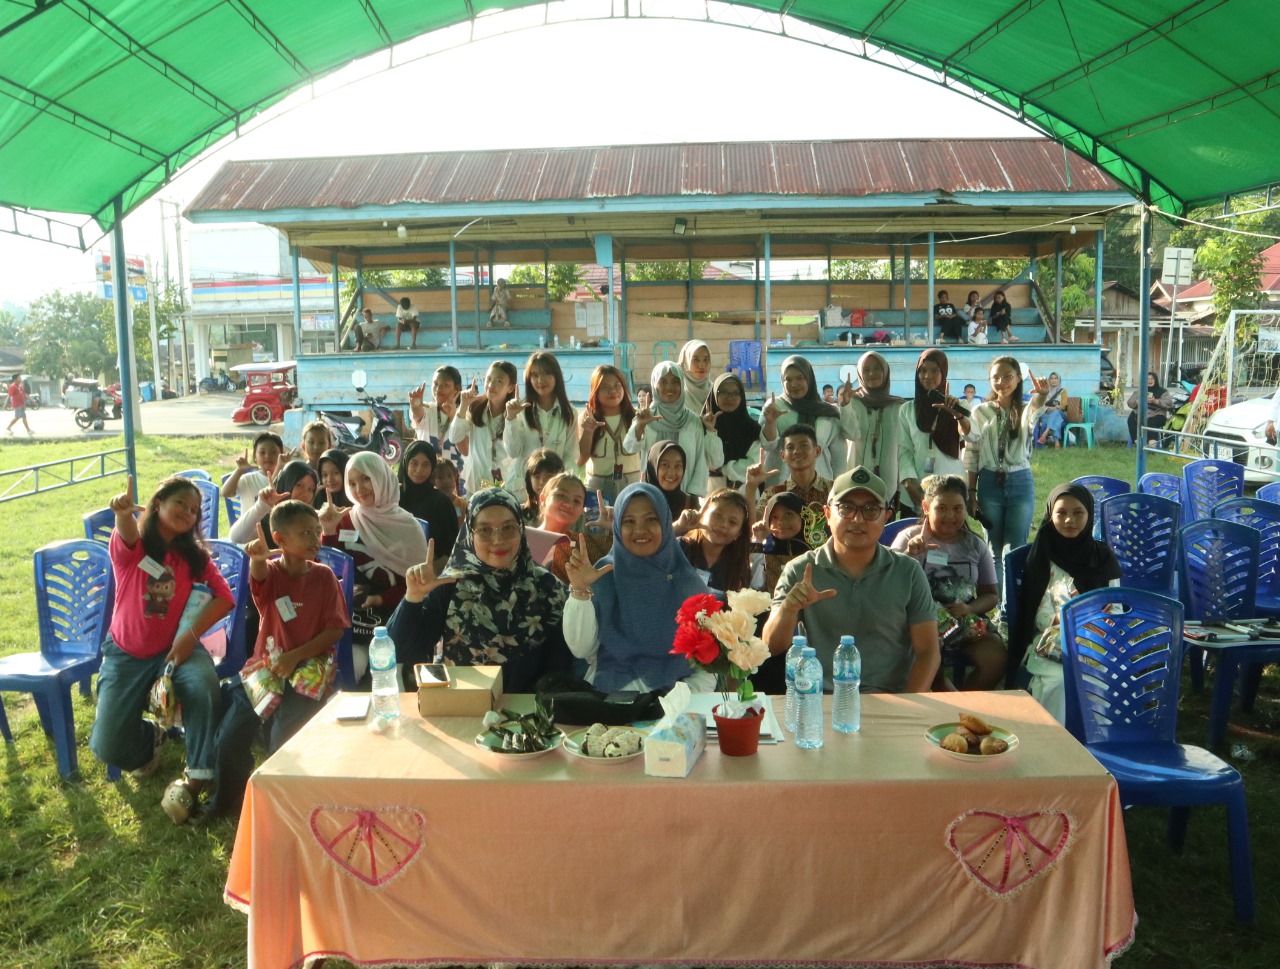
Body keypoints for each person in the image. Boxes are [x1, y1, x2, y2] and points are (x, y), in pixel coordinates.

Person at [89, 475, 234, 824]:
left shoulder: (194, 557)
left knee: (203, 684)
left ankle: (199, 774)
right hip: (126, 653)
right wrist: (122, 513)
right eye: (180, 503)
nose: (188, 512)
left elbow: (224, 597)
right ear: (158, 504)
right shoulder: (135, 547)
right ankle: (151, 739)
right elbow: (126, 532)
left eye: (194, 510)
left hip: (176, 650)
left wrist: (190, 637)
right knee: (106, 746)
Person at [208, 500, 349, 818]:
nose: (315, 538)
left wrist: (294, 657)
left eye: (316, 531)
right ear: (280, 539)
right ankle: (226, 801)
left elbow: (335, 631)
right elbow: (259, 576)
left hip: (308, 667)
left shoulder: (325, 577)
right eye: (305, 532)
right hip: (265, 666)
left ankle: (282, 806)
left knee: (284, 742)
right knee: (230, 737)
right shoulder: (270, 573)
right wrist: (257, 559)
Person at [763, 466, 939, 692]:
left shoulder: (908, 572)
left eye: (870, 509)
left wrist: (908, 705)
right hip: (823, 699)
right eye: (846, 508)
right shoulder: (800, 570)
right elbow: (771, 646)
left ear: (886, 517)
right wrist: (789, 609)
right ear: (827, 514)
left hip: (892, 698)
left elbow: (928, 651)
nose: (857, 519)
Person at [388, 488, 573, 693]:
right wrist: (413, 598)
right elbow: (397, 651)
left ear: (521, 529)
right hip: (459, 704)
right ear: (470, 533)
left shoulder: (548, 589)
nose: (498, 540)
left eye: (508, 528)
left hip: (527, 708)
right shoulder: (451, 584)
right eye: (485, 530)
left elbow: (559, 670)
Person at [562, 482, 716, 692]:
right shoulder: (603, 575)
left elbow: (708, 665)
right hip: (611, 695)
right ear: (617, 527)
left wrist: (678, 701)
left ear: (665, 523)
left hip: (677, 699)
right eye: (628, 521)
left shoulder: (687, 584)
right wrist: (580, 590)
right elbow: (581, 650)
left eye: (651, 519)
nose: (640, 530)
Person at [1011, 483, 1123, 716]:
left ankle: (1094, 738)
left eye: (1078, 513)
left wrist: (1095, 626)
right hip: (1053, 643)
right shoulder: (1042, 556)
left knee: (1101, 680)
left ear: (1089, 514)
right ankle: (1054, 737)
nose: (1069, 520)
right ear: (1050, 514)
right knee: (1059, 683)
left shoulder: (1103, 558)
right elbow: (1037, 612)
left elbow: (1115, 607)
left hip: (1097, 640)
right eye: (1061, 513)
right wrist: (1068, 624)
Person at [891, 475, 1006, 690]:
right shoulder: (908, 538)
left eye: (957, 509)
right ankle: (945, 697)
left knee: (996, 657)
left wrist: (969, 608)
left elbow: (991, 595)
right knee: (928, 660)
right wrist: (908, 555)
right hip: (918, 624)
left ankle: (964, 701)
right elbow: (887, 583)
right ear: (926, 507)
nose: (950, 516)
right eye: (942, 508)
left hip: (964, 623)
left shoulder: (975, 546)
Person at [320, 452, 430, 668]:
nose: (359, 489)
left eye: (366, 479)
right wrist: (328, 530)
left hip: (395, 618)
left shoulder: (408, 527)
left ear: (381, 477)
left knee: (387, 666)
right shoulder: (346, 520)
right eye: (352, 483)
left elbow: (418, 587)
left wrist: (380, 599)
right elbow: (329, 574)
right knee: (350, 666)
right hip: (351, 621)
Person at [966, 357, 1048, 589]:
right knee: (993, 549)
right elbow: (972, 452)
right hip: (989, 483)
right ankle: (1000, 603)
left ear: (1018, 378)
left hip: (1020, 482)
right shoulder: (980, 412)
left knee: (1015, 549)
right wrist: (971, 493)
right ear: (989, 380)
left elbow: (1035, 412)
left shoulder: (1024, 409)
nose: (1001, 382)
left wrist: (1042, 395)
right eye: (996, 377)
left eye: (1008, 376)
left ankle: (1011, 605)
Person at [624, 361, 724, 499]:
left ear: (682, 385)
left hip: (685, 498)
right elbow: (629, 448)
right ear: (654, 385)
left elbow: (708, 462)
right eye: (663, 381)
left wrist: (691, 497)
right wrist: (640, 426)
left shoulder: (692, 421)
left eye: (675, 382)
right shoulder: (645, 417)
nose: (669, 387)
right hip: (651, 496)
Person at [899, 349, 970, 513]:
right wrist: (909, 483)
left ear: (944, 372)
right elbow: (904, 449)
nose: (927, 376)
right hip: (916, 486)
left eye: (935, 370)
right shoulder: (907, 410)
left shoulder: (959, 407)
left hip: (951, 488)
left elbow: (972, 436)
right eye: (922, 370)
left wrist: (957, 415)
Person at [760, 355, 846, 480]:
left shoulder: (827, 412)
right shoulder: (774, 406)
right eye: (788, 379)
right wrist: (770, 422)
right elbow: (767, 446)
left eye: (800, 378)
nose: (794, 384)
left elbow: (839, 456)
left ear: (809, 378)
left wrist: (838, 486)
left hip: (821, 484)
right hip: (782, 485)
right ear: (782, 381)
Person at [504, 351, 577, 500]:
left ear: (557, 376)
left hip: (554, 490)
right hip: (521, 490)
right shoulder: (520, 409)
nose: (540, 380)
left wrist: (566, 484)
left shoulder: (569, 413)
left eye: (546, 374)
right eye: (535, 375)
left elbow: (570, 455)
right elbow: (513, 452)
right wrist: (511, 418)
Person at [839, 351, 905, 509]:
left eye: (876, 368)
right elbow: (851, 434)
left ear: (885, 372)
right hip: (856, 480)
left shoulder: (898, 407)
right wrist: (845, 405)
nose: (871, 373)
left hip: (889, 482)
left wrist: (901, 486)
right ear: (860, 374)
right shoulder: (853, 402)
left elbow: (902, 449)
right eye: (866, 370)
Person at [447, 361, 518, 495]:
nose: (491, 385)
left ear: (510, 388)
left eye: (499, 381)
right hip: (476, 484)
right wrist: (463, 406)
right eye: (488, 379)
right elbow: (454, 437)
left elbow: (515, 450)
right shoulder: (475, 407)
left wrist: (511, 419)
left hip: (507, 485)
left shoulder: (516, 413)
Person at [759, 423, 832, 550]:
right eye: (790, 447)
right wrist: (751, 487)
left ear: (817, 451)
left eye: (804, 446)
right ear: (783, 455)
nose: (797, 451)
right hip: (784, 558)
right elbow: (754, 525)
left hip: (826, 558)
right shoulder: (774, 494)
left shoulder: (834, 490)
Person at [578, 364, 641, 502]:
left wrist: (642, 424)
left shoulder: (637, 417)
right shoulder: (587, 419)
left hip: (631, 482)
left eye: (617, 385)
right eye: (605, 387)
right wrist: (588, 431)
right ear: (595, 391)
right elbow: (581, 460)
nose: (612, 391)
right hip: (598, 485)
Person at [539, 472, 613, 585]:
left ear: (582, 511)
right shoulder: (521, 537)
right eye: (561, 495)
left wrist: (614, 528)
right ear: (543, 498)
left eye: (577, 501)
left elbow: (624, 557)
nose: (569, 504)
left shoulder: (584, 546)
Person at [228, 459, 318, 546]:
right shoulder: (269, 519)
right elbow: (236, 537)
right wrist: (261, 506)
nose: (305, 493)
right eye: (299, 485)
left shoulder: (314, 521)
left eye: (311, 489)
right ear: (286, 483)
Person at [678, 488, 751, 592]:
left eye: (732, 522)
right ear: (703, 515)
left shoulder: (738, 567)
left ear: (739, 533)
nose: (723, 525)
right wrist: (678, 528)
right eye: (717, 515)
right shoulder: (681, 548)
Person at [398, 440, 460, 562]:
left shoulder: (442, 502)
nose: (419, 470)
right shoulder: (394, 498)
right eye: (414, 463)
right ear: (406, 463)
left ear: (433, 467)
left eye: (426, 464)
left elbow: (452, 548)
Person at [703, 372, 763, 490]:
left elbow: (754, 464)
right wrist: (710, 430)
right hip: (711, 493)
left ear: (742, 396)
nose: (730, 398)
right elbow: (712, 463)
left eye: (735, 393)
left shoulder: (752, 429)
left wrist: (724, 469)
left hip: (744, 492)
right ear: (714, 394)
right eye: (723, 392)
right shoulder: (702, 426)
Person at [409, 365, 466, 478]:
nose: (438, 388)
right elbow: (418, 415)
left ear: (457, 389)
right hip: (428, 480)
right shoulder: (428, 409)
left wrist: (453, 416)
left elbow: (466, 449)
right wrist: (415, 405)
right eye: (435, 384)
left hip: (457, 480)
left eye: (445, 385)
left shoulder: (465, 414)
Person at [750, 491, 810, 595]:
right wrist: (759, 541)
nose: (780, 522)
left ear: (802, 517)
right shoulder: (766, 548)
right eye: (774, 517)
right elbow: (756, 585)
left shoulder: (813, 550)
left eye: (788, 514)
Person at [644, 441, 700, 531]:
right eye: (665, 465)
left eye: (678, 466)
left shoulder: (690, 503)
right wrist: (678, 527)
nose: (671, 473)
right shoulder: (640, 504)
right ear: (653, 467)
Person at [223, 432, 284, 506]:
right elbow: (226, 493)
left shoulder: (286, 478)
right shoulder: (248, 479)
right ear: (255, 457)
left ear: (282, 454)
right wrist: (239, 470)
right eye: (262, 452)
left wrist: (280, 467)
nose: (267, 456)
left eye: (273, 452)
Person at [519, 448, 565, 525]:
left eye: (549, 476)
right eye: (537, 477)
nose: (542, 482)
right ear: (529, 479)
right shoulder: (522, 513)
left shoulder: (567, 512)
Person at [1127, 371, 1175, 446]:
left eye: (1152, 379)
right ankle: (1139, 444)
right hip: (1141, 413)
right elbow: (1130, 402)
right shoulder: (1140, 391)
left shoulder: (1163, 391)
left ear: (1155, 380)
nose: (1150, 381)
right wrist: (1137, 402)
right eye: (1148, 379)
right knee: (1131, 419)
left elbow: (1169, 403)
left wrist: (1155, 401)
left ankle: (1152, 445)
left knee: (1150, 422)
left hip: (1157, 414)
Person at [676, 340, 714, 414]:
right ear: (686, 361)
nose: (702, 365)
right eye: (695, 359)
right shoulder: (677, 394)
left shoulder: (716, 391)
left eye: (706, 359)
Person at [1037, 372, 1069, 447]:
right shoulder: (1046, 391)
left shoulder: (1063, 391)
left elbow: (1063, 406)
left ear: (1059, 380)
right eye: (1051, 378)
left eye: (1056, 378)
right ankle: (1057, 442)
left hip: (1060, 413)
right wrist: (1046, 409)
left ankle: (1045, 433)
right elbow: (1040, 404)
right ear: (1049, 380)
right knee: (1055, 420)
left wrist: (1054, 408)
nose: (1053, 380)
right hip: (1046, 413)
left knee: (1055, 413)